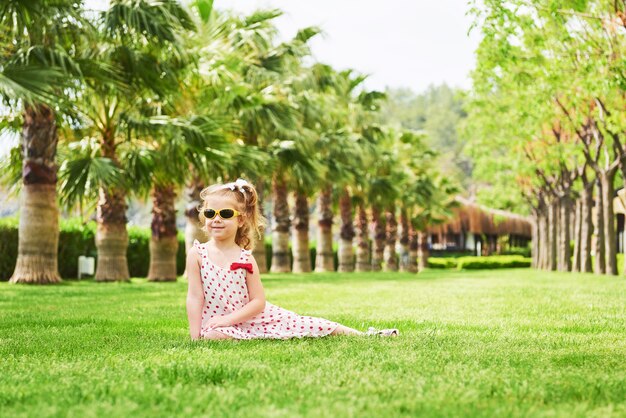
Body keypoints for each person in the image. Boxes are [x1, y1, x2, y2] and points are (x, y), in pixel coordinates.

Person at [186, 178, 399, 340]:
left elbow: (258, 302)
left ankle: (365, 335)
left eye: (224, 214)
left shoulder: (246, 258)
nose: (216, 219)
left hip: (253, 317)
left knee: (308, 323)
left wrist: (228, 319)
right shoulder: (197, 254)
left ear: (240, 219)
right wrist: (195, 335)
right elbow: (195, 297)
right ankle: (227, 333)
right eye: (210, 213)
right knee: (214, 336)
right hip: (217, 324)